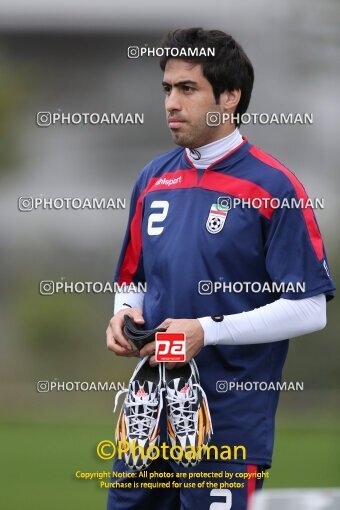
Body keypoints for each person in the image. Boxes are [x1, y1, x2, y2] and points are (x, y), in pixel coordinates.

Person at [106, 27, 335, 510]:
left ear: (230, 97)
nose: (171, 102)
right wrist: (123, 315)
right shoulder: (152, 178)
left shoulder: (274, 187)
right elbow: (133, 277)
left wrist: (206, 331)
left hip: (226, 429)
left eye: (188, 89)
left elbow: (311, 308)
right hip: (147, 421)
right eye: (167, 88)